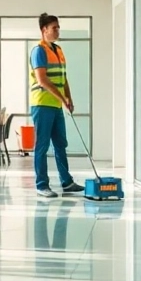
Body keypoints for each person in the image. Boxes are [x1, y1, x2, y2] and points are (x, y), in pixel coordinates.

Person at [30, 13, 84, 198]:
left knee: (60, 143)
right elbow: (42, 80)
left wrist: (68, 98)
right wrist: (62, 98)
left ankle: (67, 182)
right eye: (54, 28)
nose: (57, 30)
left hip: (56, 105)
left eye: (58, 27)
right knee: (42, 146)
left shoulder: (58, 50)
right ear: (44, 30)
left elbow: (63, 77)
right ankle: (41, 185)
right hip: (42, 104)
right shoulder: (38, 51)